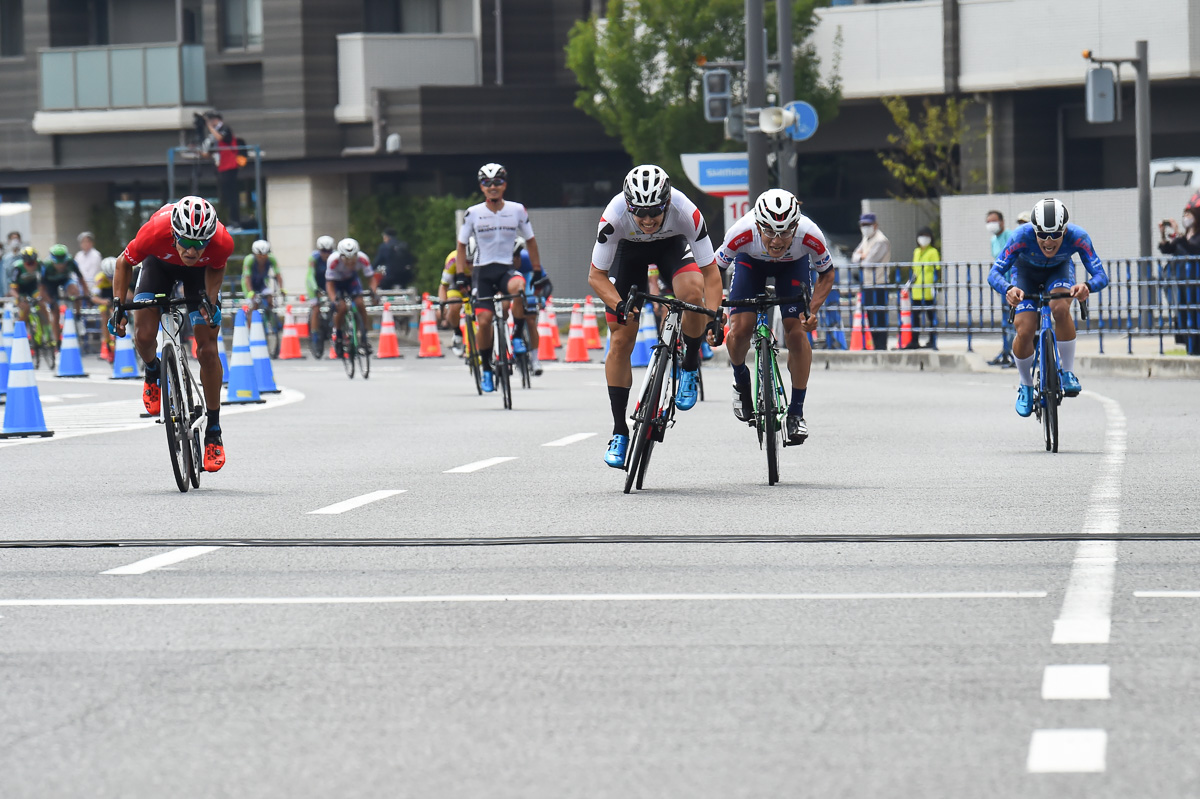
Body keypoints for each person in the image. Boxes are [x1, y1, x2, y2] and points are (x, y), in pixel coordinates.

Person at [586, 164, 721, 468]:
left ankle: (689, 365)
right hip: (628, 252)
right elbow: (596, 276)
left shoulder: (687, 211)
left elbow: (711, 273)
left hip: (671, 247)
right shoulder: (613, 217)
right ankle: (620, 431)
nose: (647, 220)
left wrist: (714, 316)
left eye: (654, 212)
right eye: (640, 213)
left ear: (667, 203)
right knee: (620, 341)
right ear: (629, 206)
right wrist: (619, 305)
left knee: (692, 293)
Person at [108, 196, 232, 471]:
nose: (191, 250)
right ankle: (153, 370)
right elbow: (123, 263)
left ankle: (213, 429)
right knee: (143, 335)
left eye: (199, 244)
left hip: (199, 277)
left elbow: (217, 267)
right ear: (174, 233)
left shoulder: (222, 241)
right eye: (186, 242)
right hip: (158, 266)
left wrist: (209, 303)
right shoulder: (154, 232)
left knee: (208, 350)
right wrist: (118, 307)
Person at [718, 189, 835, 444]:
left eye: (785, 232)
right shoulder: (741, 232)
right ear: (758, 225)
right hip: (750, 264)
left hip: (792, 267)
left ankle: (796, 412)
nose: (777, 241)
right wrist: (715, 313)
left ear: (795, 227)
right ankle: (741, 381)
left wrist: (811, 311)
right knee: (740, 330)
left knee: (797, 333)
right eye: (769, 231)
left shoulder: (809, 234)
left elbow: (827, 273)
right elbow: (715, 270)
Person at [988, 198, 1109, 417]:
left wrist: (1087, 286)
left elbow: (1101, 275)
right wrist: (1008, 289)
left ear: (1065, 230)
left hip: (1059, 271)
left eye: (1055, 234)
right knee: (1025, 329)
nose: (1049, 241)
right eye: (1042, 235)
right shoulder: (1020, 236)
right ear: (1034, 230)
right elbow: (994, 273)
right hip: (1025, 275)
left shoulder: (1078, 236)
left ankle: (1068, 373)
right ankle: (1025, 385)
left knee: (1060, 308)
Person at [456, 163, 543, 393]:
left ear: (505, 185)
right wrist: (460, 275)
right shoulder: (473, 213)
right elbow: (461, 245)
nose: (493, 187)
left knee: (519, 286)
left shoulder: (517, 210)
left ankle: (515, 337)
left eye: (497, 182)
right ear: (481, 187)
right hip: (482, 273)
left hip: (505, 269)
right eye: (487, 183)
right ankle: (486, 368)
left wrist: (537, 270)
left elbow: (531, 240)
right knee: (483, 322)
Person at [1158, 197, 1200, 355]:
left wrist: (1178, 234)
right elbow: (1167, 249)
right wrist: (1163, 234)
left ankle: (1195, 348)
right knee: (1182, 314)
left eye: (1190, 214)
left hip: (1195, 282)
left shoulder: (1194, 237)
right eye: (1185, 214)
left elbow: (1193, 249)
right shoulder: (1184, 236)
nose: (1187, 218)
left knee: (1195, 315)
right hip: (1181, 281)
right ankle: (1189, 346)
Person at [325, 237, 378, 355]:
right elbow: (329, 284)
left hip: (351, 281)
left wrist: (373, 292)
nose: (350, 262)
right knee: (342, 307)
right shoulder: (332, 260)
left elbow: (371, 279)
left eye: (353, 258)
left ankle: (364, 338)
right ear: (340, 256)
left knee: (360, 304)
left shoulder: (363, 259)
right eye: (347, 259)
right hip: (336, 283)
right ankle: (339, 336)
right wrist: (334, 300)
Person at [851, 212, 892, 350]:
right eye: (863, 225)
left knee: (879, 316)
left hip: (879, 283)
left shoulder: (881, 240)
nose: (865, 227)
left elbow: (868, 262)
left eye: (868, 225)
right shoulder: (866, 239)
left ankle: (881, 345)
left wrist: (862, 257)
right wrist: (862, 257)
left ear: (875, 225)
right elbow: (854, 257)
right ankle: (875, 344)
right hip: (868, 284)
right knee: (870, 315)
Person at [513, 235, 553, 376]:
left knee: (531, 320)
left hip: (527, 285)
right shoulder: (502, 262)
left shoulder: (527, 258)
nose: (515, 260)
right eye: (512, 257)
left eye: (517, 256)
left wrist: (541, 299)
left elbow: (547, 284)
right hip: (510, 286)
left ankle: (535, 359)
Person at [40, 243, 90, 345]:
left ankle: (78, 315)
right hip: (51, 285)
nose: (61, 266)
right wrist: (49, 301)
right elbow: (42, 288)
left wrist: (85, 293)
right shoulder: (46, 265)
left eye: (63, 264)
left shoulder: (71, 261)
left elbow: (81, 279)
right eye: (58, 264)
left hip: (65, 280)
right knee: (55, 312)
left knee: (75, 291)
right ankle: (57, 341)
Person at [986, 210, 1015, 366]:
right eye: (988, 222)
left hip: (1014, 282)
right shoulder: (993, 240)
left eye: (994, 221)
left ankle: (1014, 350)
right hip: (1002, 284)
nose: (991, 225)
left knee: (1016, 319)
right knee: (1006, 320)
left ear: (1002, 222)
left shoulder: (1010, 235)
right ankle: (1006, 350)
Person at [206, 112, 242, 230]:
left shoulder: (224, 128)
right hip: (222, 166)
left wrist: (211, 128)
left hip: (230, 164)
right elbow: (210, 150)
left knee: (232, 195)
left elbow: (221, 137)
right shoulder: (214, 134)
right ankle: (231, 221)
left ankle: (236, 221)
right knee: (226, 195)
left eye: (212, 120)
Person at [909, 226, 940, 349]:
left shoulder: (933, 252)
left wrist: (935, 284)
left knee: (931, 316)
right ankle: (914, 340)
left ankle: (932, 341)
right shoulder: (916, 252)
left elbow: (937, 269)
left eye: (926, 236)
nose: (923, 239)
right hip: (916, 289)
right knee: (915, 317)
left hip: (928, 289)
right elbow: (914, 270)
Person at [8, 247, 43, 341]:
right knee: (25, 307)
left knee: (42, 303)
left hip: (32, 288)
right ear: (24, 262)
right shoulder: (17, 268)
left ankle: (46, 330)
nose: (32, 266)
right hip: (20, 290)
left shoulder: (40, 264)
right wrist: (19, 298)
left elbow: (43, 284)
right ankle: (22, 330)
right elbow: (12, 289)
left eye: (33, 263)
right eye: (29, 263)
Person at [241, 239, 283, 313]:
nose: (262, 258)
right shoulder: (249, 260)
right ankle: (251, 321)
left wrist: (281, 288)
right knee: (253, 304)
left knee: (269, 297)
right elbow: (247, 278)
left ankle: (270, 317)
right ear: (255, 254)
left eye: (264, 255)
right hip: (249, 284)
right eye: (259, 256)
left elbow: (278, 275)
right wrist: (250, 292)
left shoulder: (271, 258)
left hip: (261, 283)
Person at [306, 235, 335, 337]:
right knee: (316, 308)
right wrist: (315, 289)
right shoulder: (314, 258)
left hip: (329, 283)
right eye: (323, 251)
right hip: (315, 283)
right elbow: (310, 275)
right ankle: (314, 335)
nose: (326, 254)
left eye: (329, 251)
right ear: (319, 250)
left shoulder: (335, 257)